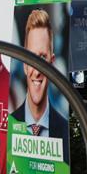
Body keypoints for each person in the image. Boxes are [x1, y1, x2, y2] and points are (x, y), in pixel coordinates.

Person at [10, 9, 70, 161]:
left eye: (42, 58)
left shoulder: (64, 130)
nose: (37, 70)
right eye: (31, 58)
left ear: (52, 61)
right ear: (24, 64)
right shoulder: (10, 126)